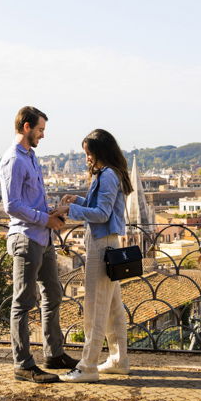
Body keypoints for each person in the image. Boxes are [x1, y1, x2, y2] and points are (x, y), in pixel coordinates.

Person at [0, 105, 76, 383]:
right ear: (27, 127)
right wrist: (45, 219)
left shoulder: (31, 157)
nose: (43, 136)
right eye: (41, 130)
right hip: (26, 238)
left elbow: (30, 201)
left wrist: (55, 210)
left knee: (53, 294)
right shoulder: (13, 160)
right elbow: (12, 205)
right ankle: (23, 364)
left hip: (43, 237)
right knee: (23, 301)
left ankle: (53, 354)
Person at [58, 128, 133, 382]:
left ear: (99, 152)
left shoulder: (108, 176)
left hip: (101, 245)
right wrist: (78, 200)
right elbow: (101, 207)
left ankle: (87, 366)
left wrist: (71, 209)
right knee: (113, 308)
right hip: (106, 242)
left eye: (88, 153)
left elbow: (102, 214)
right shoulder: (109, 174)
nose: (87, 159)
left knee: (95, 307)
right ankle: (118, 359)